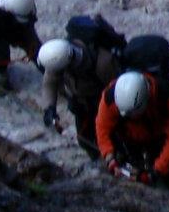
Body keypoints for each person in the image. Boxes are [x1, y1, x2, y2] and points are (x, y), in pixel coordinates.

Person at [94, 39, 169, 186]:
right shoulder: (111, 96)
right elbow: (102, 127)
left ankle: (165, 174)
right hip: (127, 136)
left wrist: (156, 172)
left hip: (157, 134)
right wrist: (109, 157)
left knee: (160, 168)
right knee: (132, 161)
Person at [37, 16, 129, 157]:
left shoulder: (103, 64)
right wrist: (49, 108)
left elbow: (119, 91)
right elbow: (50, 82)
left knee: (113, 138)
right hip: (81, 103)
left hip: (105, 102)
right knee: (85, 140)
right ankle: (98, 157)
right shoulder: (59, 58)